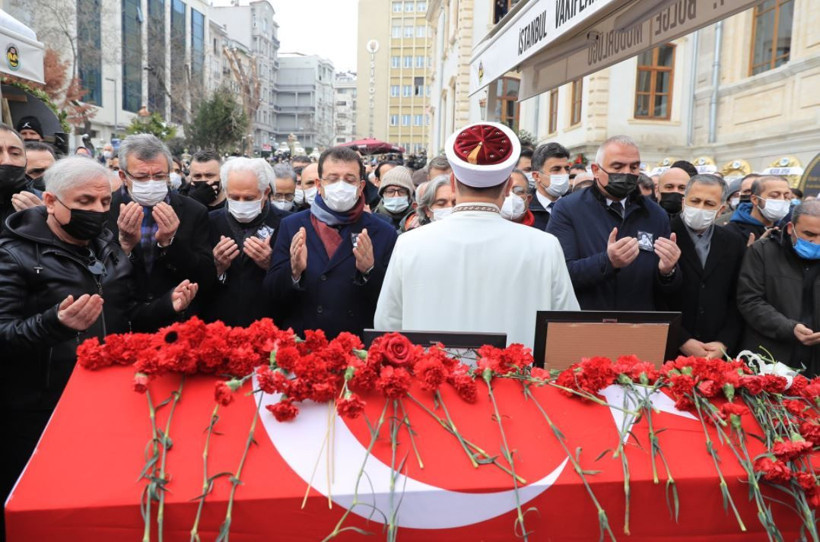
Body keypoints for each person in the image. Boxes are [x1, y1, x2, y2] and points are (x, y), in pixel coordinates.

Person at [0, 157, 198, 538]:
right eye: (85, 201)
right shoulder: (13, 255)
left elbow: (124, 316)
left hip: (107, 400)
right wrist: (53, 324)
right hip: (41, 409)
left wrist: (164, 307)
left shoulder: (106, 246)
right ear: (52, 202)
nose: (97, 211)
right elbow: (5, 334)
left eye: (104, 202)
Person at [375, 122, 579, 348]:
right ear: (509, 185)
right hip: (518, 380)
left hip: (432, 380)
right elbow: (566, 328)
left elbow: (387, 324)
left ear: (452, 183)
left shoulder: (409, 244)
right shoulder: (544, 246)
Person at [266, 146, 397, 338]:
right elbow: (272, 293)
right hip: (305, 343)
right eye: (333, 179)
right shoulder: (291, 225)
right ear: (319, 184)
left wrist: (369, 271)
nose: (341, 185)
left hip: (356, 345)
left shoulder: (383, 232)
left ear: (361, 187)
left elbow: (392, 300)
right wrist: (293, 272)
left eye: (349, 179)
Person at [546, 135, 682, 310]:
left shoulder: (655, 213)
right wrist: (608, 262)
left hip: (639, 326)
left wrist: (668, 272)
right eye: (617, 166)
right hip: (586, 324)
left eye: (634, 167)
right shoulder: (568, 209)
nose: (627, 173)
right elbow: (559, 274)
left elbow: (668, 290)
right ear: (596, 170)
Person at [107, 134, 215, 309]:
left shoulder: (193, 211)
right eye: (141, 177)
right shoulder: (104, 208)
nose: (151, 183)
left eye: (159, 176)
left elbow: (205, 276)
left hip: (173, 319)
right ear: (123, 176)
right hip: (120, 316)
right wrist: (124, 247)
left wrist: (169, 243)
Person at [736, 200, 820, 375]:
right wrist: (789, 328)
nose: (816, 242)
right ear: (790, 228)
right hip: (769, 358)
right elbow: (750, 300)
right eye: (809, 234)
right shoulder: (764, 251)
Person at [668, 174, 746, 358]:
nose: (700, 208)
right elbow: (652, 297)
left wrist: (724, 342)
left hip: (716, 350)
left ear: (721, 209)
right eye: (695, 201)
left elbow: (737, 297)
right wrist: (682, 340)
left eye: (709, 204)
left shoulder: (733, 242)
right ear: (683, 202)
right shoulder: (663, 233)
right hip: (670, 348)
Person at [205, 158, 289, 326]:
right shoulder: (209, 222)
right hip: (220, 326)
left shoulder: (286, 223)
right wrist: (217, 268)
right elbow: (197, 282)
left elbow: (297, 284)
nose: (241, 203)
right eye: (234, 197)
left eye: (249, 198)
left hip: (269, 326)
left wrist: (272, 265)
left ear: (265, 193)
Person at [724, 175, 791, 246]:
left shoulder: (787, 229)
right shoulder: (731, 231)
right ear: (755, 200)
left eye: (786, 196)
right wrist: (752, 252)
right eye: (774, 196)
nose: (782, 200)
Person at [0, 126, 39, 233]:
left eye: (15, 153)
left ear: (26, 161)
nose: (7, 161)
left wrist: (46, 224)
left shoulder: (46, 203)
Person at [529, 142, 572, 230]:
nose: (564, 174)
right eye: (556, 169)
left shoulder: (578, 205)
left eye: (566, 169)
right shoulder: (524, 210)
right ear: (537, 176)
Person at [374, 166, 416, 231]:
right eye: (390, 191)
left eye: (402, 191)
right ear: (382, 194)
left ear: (409, 194)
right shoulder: (373, 217)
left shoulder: (419, 218)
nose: (396, 196)